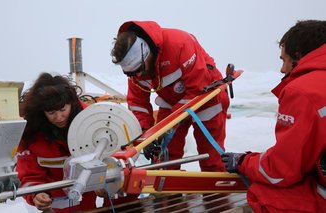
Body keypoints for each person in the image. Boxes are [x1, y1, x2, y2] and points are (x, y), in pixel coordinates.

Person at [221, 20, 326, 212]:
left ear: (298, 56)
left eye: (283, 60)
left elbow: (282, 170)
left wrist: (243, 161)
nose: (282, 69)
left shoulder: (302, 91)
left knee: (262, 193)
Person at [111, 20, 230, 172]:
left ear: (147, 53)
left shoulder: (180, 44)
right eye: (131, 72)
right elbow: (137, 103)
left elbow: (197, 88)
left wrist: (168, 124)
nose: (138, 75)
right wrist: (145, 135)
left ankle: (217, 191)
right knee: (163, 158)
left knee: (211, 158)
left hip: (205, 96)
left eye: (139, 68)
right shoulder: (136, 74)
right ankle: (167, 190)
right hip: (170, 100)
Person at [16, 73, 97, 212]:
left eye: (62, 109)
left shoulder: (91, 121)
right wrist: (37, 194)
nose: (59, 117)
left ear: (72, 102)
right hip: (55, 204)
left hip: (88, 202)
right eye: (51, 112)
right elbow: (28, 174)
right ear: (41, 112)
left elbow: (110, 158)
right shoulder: (30, 135)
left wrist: (103, 181)